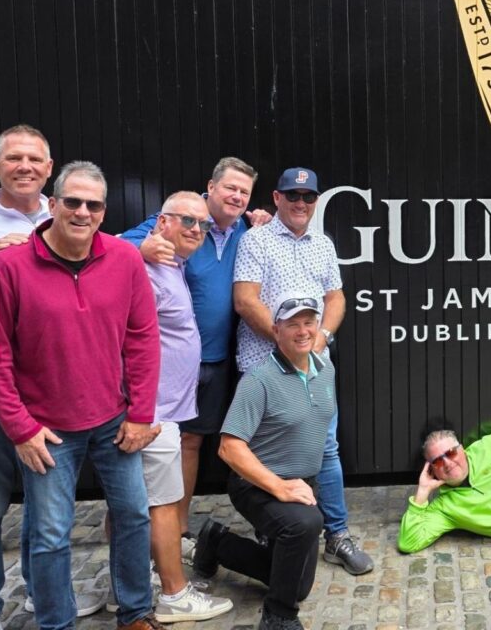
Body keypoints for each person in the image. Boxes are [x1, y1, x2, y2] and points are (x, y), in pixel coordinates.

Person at [0, 161, 162, 630]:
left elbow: (142, 338)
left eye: (93, 205)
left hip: (114, 420)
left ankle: (135, 613)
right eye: (73, 201)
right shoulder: (6, 267)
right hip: (46, 431)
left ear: (104, 211)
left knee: (134, 516)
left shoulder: (124, 259)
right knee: (49, 536)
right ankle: (56, 623)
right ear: (53, 203)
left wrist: (141, 413)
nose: (83, 212)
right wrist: (20, 429)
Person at [0, 126, 106, 630]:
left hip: (50, 396)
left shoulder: (68, 214)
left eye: (35, 159)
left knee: (45, 508)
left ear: (49, 170)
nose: (25, 166)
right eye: (14, 158)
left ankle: (41, 593)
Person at [233, 167, 372, 575]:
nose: (300, 203)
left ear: (316, 201)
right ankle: (272, 532)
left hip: (314, 367)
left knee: (325, 448)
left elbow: (336, 298)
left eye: (308, 197)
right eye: (292, 196)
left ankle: (337, 535)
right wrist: (288, 342)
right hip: (265, 366)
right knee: (266, 453)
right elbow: (245, 300)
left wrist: (320, 338)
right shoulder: (256, 240)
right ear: (277, 198)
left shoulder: (323, 244)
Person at [121, 157, 265, 547]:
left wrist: (261, 222)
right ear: (211, 187)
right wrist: (142, 248)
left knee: (191, 443)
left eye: (244, 192)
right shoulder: (183, 218)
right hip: (166, 367)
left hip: (215, 361)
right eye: (230, 188)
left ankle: (178, 530)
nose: (237, 197)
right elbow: (114, 246)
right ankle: (139, 534)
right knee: (152, 448)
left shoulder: (244, 229)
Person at [192, 294, 336, 630]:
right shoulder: (258, 381)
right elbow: (229, 448)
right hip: (256, 484)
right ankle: (278, 616)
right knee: (305, 523)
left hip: (302, 483)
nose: (303, 331)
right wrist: (279, 487)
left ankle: (217, 542)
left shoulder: (326, 369)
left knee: (297, 586)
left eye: (309, 322)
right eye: (293, 324)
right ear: (276, 330)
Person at [134, 192, 232, 622]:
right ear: (161, 222)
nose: (196, 230)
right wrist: (138, 409)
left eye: (202, 225)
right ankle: (174, 594)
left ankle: (134, 582)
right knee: (163, 503)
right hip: (151, 412)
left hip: (163, 409)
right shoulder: (142, 266)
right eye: (186, 221)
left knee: (135, 502)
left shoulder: (173, 265)